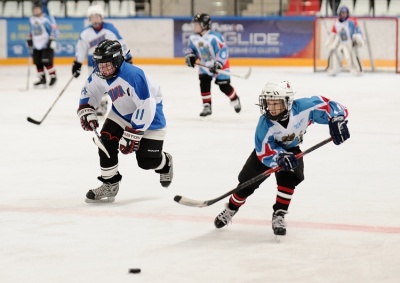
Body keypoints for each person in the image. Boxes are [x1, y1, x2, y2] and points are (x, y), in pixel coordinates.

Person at [214, 79, 350, 237]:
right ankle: (230, 209)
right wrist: (279, 157)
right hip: (269, 153)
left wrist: (337, 119)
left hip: (292, 149)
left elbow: (332, 106)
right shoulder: (265, 123)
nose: (271, 108)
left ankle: (279, 214)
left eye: (276, 103)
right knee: (246, 185)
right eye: (268, 103)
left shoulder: (303, 107)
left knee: (290, 179)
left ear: (287, 102)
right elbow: (263, 151)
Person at [77, 39, 173, 203]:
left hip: (150, 117)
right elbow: (90, 91)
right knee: (105, 141)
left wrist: (133, 134)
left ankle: (165, 162)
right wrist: (87, 110)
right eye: (100, 64)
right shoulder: (98, 74)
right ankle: (110, 184)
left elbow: (146, 105)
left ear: (117, 61)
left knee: (146, 161)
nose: (103, 69)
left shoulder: (133, 75)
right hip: (120, 113)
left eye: (107, 64)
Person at [73, 4, 133, 116]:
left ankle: (119, 106)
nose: (95, 19)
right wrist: (77, 63)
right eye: (92, 16)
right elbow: (81, 49)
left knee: (112, 84)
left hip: (109, 64)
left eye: (97, 16)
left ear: (101, 17)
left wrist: (127, 57)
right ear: (89, 18)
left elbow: (121, 43)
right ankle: (100, 104)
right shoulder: (86, 33)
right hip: (92, 64)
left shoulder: (110, 29)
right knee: (95, 86)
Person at [184, 13, 241, 117]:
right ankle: (207, 106)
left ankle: (235, 99)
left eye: (197, 24)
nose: (194, 26)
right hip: (204, 65)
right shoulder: (193, 38)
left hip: (220, 65)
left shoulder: (215, 37)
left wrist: (218, 64)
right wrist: (190, 56)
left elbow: (223, 51)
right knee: (204, 83)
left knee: (223, 86)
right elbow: (190, 49)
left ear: (204, 25)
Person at [26, 0, 58, 87]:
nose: (36, 11)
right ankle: (42, 79)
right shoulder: (32, 19)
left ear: (41, 9)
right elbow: (32, 31)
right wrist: (29, 38)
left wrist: (52, 39)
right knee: (38, 62)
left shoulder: (47, 19)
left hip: (46, 43)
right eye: (34, 9)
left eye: (37, 9)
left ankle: (53, 77)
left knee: (47, 61)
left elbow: (54, 30)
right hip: (36, 44)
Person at [326, 6, 364, 76]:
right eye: (342, 13)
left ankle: (358, 70)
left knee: (352, 58)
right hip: (341, 43)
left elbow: (358, 31)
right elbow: (333, 34)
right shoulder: (336, 22)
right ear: (340, 14)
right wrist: (330, 41)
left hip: (350, 43)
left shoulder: (352, 21)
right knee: (335, 56)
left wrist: (357, 37)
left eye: (345, 13)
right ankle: (334, 70)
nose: (344, 15)